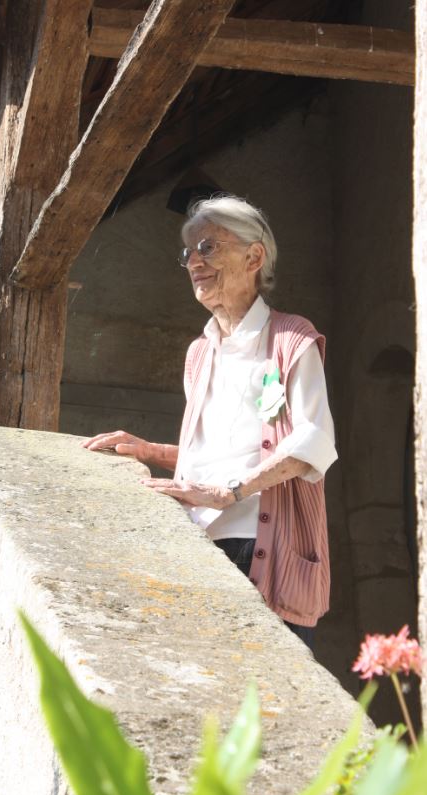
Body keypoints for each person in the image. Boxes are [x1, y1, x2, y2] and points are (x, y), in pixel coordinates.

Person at [82, 195, 337, 648]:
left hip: (261, 548)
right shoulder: (199, 353)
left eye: (208, 248)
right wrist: (152, 451)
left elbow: (311, 442)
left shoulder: (292, 338)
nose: (194, 263)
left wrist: (228, 494)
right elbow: (219, 455)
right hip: (195, 544)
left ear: (254, 256)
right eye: (188, 253)